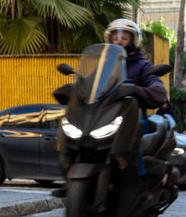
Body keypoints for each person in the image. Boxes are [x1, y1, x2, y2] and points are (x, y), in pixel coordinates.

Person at [51, 19, 167, 198]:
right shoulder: (104, 66)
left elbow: (155, 86)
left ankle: (142, 183)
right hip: (105, 115)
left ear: (134, 40)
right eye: (115, 36)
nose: (119, 40)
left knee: (136, 133)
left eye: (124, 37)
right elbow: (90, 84)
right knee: (73, 134)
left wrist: (143, 89)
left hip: (132, 116)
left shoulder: (143, 65)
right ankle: (71, 181)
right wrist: (74, 89)